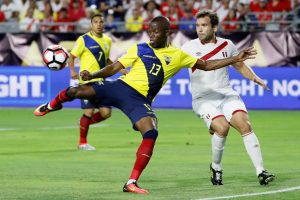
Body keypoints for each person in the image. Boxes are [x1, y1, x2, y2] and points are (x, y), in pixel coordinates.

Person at [34, 16, 257, 194]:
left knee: (150, 132)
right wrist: (92, 73)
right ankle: (52, 105)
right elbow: (114, 68)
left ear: (167, 33)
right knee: (76, 90)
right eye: (150, 31)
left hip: (139, 100)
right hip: (120, 87)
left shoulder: (178, 55)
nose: (151, 34)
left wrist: (235, 58)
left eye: (156, 31)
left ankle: (131, 182)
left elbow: (207, 65)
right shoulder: (139, 48)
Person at [181, 10, 275, 186]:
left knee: (244, 124)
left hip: (226, 95)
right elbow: (195, 66)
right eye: (197, 25)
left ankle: (261, 171)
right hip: (203, 99)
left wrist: (256, 79)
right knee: (222, 128)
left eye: (204, 25)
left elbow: (239, 64)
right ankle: (216, 167)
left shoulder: (227, 44)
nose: (199, 29)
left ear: (214, 27)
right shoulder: (188, 48)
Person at [69, 13, 125, 150]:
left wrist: (119, 69)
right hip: (86, 82)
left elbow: (105, 60)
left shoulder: (107, 40)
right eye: (96, 22)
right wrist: (73, 72)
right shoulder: (84, 39)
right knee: (89, 111)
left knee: (106, 113)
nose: (99, 24)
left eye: (101, 22)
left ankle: (83, 123)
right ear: (91, 24)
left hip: (101, 82)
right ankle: (82, 143)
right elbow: (71, 56)